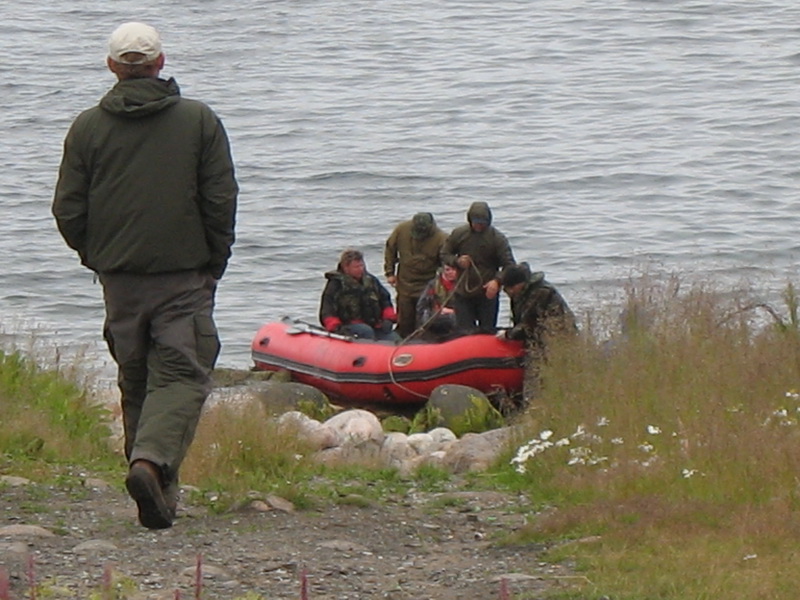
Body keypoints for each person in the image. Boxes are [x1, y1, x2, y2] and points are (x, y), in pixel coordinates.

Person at [52, 22, 238, 530]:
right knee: (180, 374)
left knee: (136, 379)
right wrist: (214, 263)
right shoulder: (198, 120)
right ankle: (151, 465)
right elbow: (220, 200)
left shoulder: (88, 127)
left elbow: (68, 209)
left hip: (120, 278)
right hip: (183, 275)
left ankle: (156, 491)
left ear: (112, 66)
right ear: (160, 63)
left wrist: (98, 257)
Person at [440, 201, 515, 333]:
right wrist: (457, 261)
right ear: (470, 220)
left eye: (482, 222)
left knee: (487, 331)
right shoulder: (459, 234)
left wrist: (497, 281)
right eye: (476, 222)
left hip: (487, 294)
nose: (479, 225)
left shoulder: (497, 239)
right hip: (463, 293)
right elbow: (444, 254)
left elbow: (509, 265)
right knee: (464, 331)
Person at [383, 212, 448, 338]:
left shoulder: (442, 239)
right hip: (405, 284)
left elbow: (445, 265)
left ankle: (423, 341)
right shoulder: (401, 230)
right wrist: (389, 272)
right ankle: (403, 340)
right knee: (405, 319)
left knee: (424, 320)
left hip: (427, 285)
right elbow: (390, 249)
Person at [320, 248, 399, 341]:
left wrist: (388, 318)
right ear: (346, 268)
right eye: (356, 267)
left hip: (374, 324)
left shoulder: (371, 280)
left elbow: (385, 299)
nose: (360, 269)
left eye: (362, 265)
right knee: (366, 331)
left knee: (394, 338)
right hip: (348, 325)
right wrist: (336, 327)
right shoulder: (335, 284)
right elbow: (327, 308)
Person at [415, 261, 460, 341]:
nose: (451, 273)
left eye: (454, 270)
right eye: (447, 270)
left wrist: (452, 311)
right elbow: (421, 306)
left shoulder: (462, 285)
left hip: (456, 316)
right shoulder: (433, 285)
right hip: (436, 316)